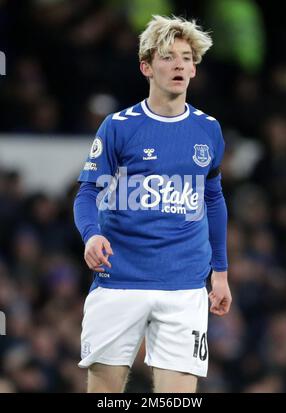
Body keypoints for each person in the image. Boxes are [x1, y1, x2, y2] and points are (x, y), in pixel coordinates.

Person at [74, 15, 232, 393]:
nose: (178, 64)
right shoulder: (118, 126)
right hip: (119, 280)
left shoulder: (209, 129)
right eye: (167, 56)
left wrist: (221, 273)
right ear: (146, 66)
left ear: (194, 68)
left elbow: (214, 198)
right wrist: (91, 236)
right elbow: (86, 193)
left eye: (186, 57)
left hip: (185, 286)